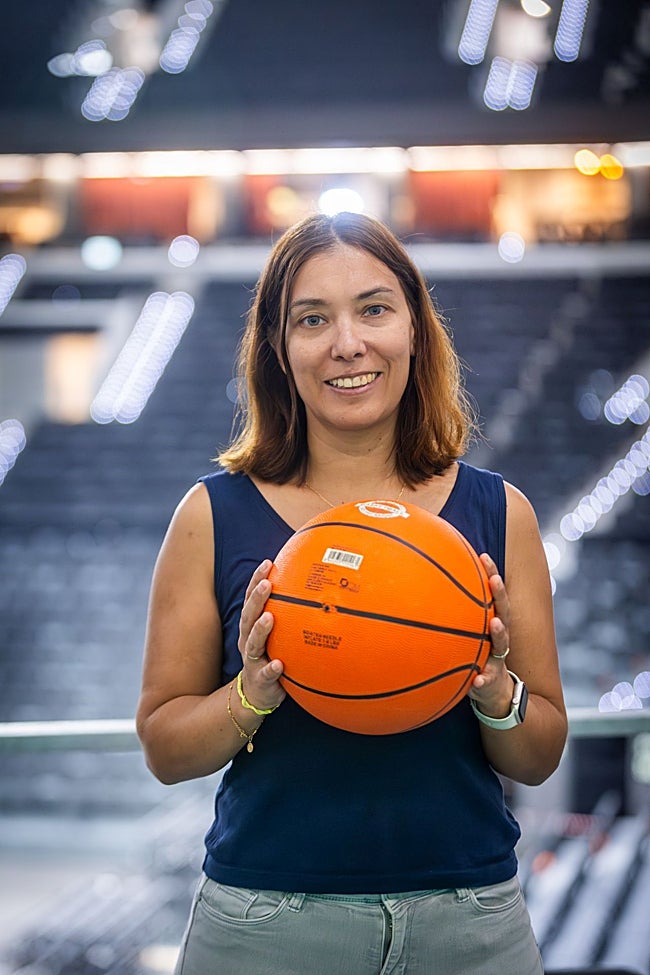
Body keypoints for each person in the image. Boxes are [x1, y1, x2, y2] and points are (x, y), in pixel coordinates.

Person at [136, 211, 567, 975]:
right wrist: (253, 692)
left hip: (468, 919)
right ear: (280, 347)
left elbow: (537, 755)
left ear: (414, 329)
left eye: (374, 308)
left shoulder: (503, 514)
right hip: (267, 920)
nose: (347, 343)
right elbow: (166, 748)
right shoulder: (211, 514)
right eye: (312, 318)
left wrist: (494, 687)